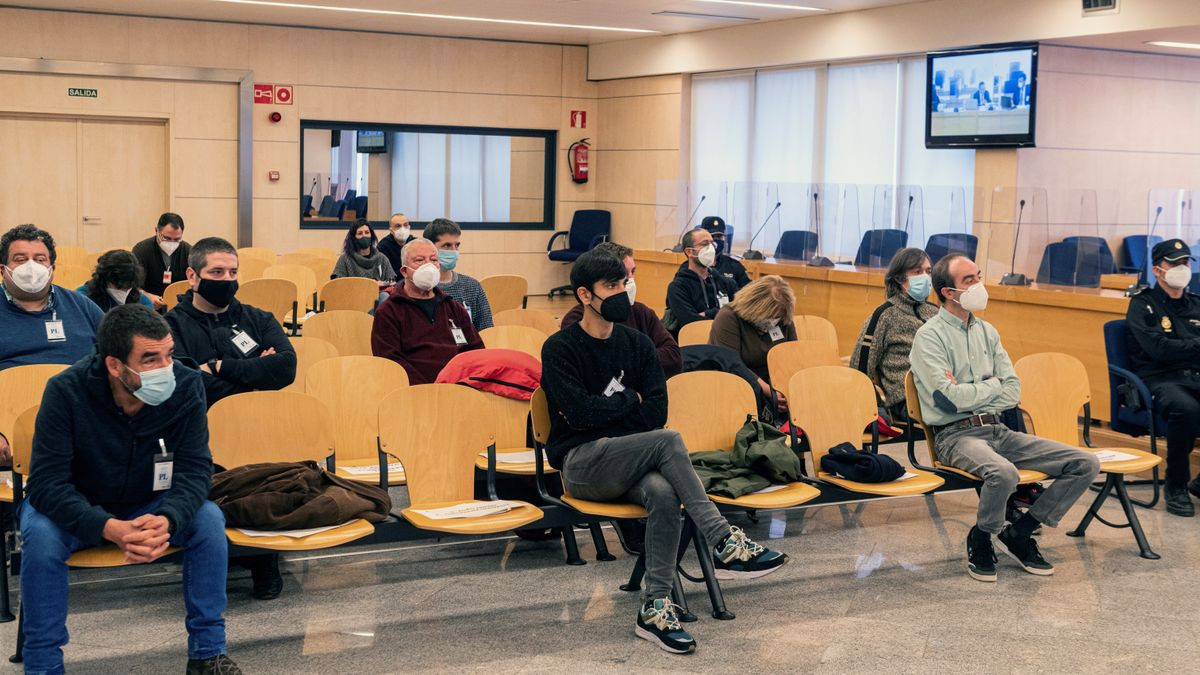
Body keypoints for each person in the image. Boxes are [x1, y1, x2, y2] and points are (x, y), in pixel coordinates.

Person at [540, 249, 788, 654]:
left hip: (631, 462)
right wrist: (629, 403)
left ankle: (655, 608)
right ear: (585, 294)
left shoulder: (638, 344)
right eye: (612, 286)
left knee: (663, 492)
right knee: (668, 440)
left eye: (624, 283)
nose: (623, 292)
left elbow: (655, 411)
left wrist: (620, 410)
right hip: (582, 464)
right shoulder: (560, 348)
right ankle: (722, 539)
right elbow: (580, 415)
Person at [20, 304, 239, 674]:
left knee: (208, 519)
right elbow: (46, 484)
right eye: (150, 359)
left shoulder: (185, 385)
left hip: (149, 503)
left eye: (168, 354)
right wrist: (107, 527)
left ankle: (207, 653)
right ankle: (43, 666)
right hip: (76, 506)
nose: (165, 368)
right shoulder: (65, 391)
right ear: (114, 365)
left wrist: (168, 519)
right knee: (40, 537)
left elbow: (195, 469)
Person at [910, 254, 1100, 582]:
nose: (979, 285)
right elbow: (949, 399)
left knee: (1085, 464)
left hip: (998, 429)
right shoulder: (930, 336)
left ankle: (1021, 531)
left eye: (978, 276)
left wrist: (980, 389)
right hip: (955, 435)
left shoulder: (988, 332)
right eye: (969, 280)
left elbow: (1012, 391)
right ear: (947, 292)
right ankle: (982, 536)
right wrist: (991, 385)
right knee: (1004, 473)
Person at [166, 237, 296, 600]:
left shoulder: (258, 318)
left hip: (259, 432)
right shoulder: (170, 326)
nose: (226, 279)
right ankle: (215, 552)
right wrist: (254, 374)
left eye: (233, 272)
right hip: (200, 432)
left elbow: (286, 367)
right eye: (216, 272)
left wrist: (220, 367)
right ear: (192, 275)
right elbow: (186, 383)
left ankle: (262, 557)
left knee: (267, 464)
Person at [0, 224, 106, 464]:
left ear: (52, 269)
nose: (31, 266)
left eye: (39, 259)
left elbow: (117, 361)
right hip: (8, 434)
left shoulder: (83, 307)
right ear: (3, 269)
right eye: (20, 259)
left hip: (83, 427)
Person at [1126, 239, 1200, 516]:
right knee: (1186, 409)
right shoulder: (1143, 305)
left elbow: (1171, 347)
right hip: (1160, 379)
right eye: (1174, 262)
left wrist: (1183, 348)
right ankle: (1176, 485)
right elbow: (1158, 351)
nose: (1182, 267)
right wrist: (1194, 345)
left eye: (1185, 262)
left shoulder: (1195, 303)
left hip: (1194, 376)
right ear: (1157, 270)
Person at [560, 241, 682, 376]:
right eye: (616, 281)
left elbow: (674, 357)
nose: (630, 281)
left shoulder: (642, 312)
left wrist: (630, 363)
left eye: (632, 273)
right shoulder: (576, 320)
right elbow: (596, 367)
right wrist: (645, 360)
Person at [372, 237, 483, 384]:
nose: (429, 266)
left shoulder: (454, 307)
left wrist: (461, 384)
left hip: (459, 390)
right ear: (405, 271)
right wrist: (431, 389)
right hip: (414, 394)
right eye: (419, 260)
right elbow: (391, 363)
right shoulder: (388, 312)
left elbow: (476, 351)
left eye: (433, 260)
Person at [849, 247, 937, 422]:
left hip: (943, 390)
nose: (925, 277)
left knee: (1000, 404)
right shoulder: (884, 316)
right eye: (917, 272)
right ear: (899, 278)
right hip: (907, 400)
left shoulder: (936, 313)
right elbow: (859, 369)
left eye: (928, 271)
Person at [708, 275, 796, 411]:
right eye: (770, 316)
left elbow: (792, 357)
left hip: (775, 384)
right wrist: (769, 392)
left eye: (777, 317)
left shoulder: (783, 317)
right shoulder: (728, 317)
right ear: (755, 308)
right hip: (737, 385)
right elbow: (733, 365)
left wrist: (789, 392)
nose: (773, 321)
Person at [423, 217, 494, 330]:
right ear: (429, 247)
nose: (454, 251)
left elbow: (487, 329)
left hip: (469, 347)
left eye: (457, 245)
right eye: (447, 245)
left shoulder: (472, 286)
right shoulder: (418, 287)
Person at [665, 228, 738, 333]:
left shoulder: (725, 283)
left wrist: (707, 314)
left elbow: (740, 310)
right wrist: (725, 312)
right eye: (705, 244)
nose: (711, 248)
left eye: (712, 243)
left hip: (723, 339)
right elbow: (691, 323)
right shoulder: (677, 287)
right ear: (689, 252)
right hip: (693, 343)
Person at [132, 212, 191, 310]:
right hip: (148, 306)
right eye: (167, 238)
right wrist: (146, 296)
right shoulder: (141, 250)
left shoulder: (188, 251)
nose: (172, 243)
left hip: (179, 306)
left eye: (177, 239)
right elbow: (132, 286)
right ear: (156, 231)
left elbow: (194, 283)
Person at [77, 249, 155, 313]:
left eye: (128, 287)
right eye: (119, 287)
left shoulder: (142, 301)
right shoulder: (82, 299)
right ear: (105, 279)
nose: (124, 292)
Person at [332, 219, 396, 288]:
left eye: (367, 232)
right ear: (354, 238)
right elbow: (337, 283)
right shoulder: (345, 259)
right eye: (359, 233)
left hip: (378, 294)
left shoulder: (381, 258)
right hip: (353, 296)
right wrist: (369, 284)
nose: (364, 236)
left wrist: (382, 284)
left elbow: (392, 281)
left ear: (371, 235)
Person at [695, 216, 750, 289]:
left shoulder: (734, 266)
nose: (715, 241)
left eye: (719, 236)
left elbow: (748, 293)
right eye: (712, 237)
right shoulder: (692, 266)